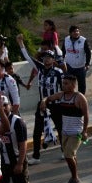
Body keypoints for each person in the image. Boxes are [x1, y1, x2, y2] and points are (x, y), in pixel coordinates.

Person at [17, 34, 65, 165]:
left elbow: (64, 90)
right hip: (42, 105)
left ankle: (64, 150)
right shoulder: (40, 69)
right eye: (44, 57)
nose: (46, 60)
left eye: (49, 57)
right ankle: (36, 156)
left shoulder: (58, 73)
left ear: (53, 59)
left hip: (55, 104)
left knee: (60, 128)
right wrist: (21, 43)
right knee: (37, 131)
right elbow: (27, 57)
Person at [40, 74, 89, 183]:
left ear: (73, 85)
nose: (64, 85)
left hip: (76, 133)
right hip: (64, 132)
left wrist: (85, 132)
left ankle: (74, 178)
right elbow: (49, 98)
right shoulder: (61, 95)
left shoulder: (79, 98)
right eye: (63, 83)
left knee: (67, 155)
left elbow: (86, 115)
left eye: (66, 83)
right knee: (71, 155)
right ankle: (75, 175)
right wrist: (43, 101)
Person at [63, 25, 92, 95]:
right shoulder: (66, 39)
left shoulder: (83, 40)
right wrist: (61, 61)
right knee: (68, 83)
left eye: (77, 31)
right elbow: (63, 51)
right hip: (69, 66)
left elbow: (88, 52)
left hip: (81, 67)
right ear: (70, 33)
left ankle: (81, 98)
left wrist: (87, 64)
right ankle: (69, 97)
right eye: (74, 31)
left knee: (82, 84)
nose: (76, 33)